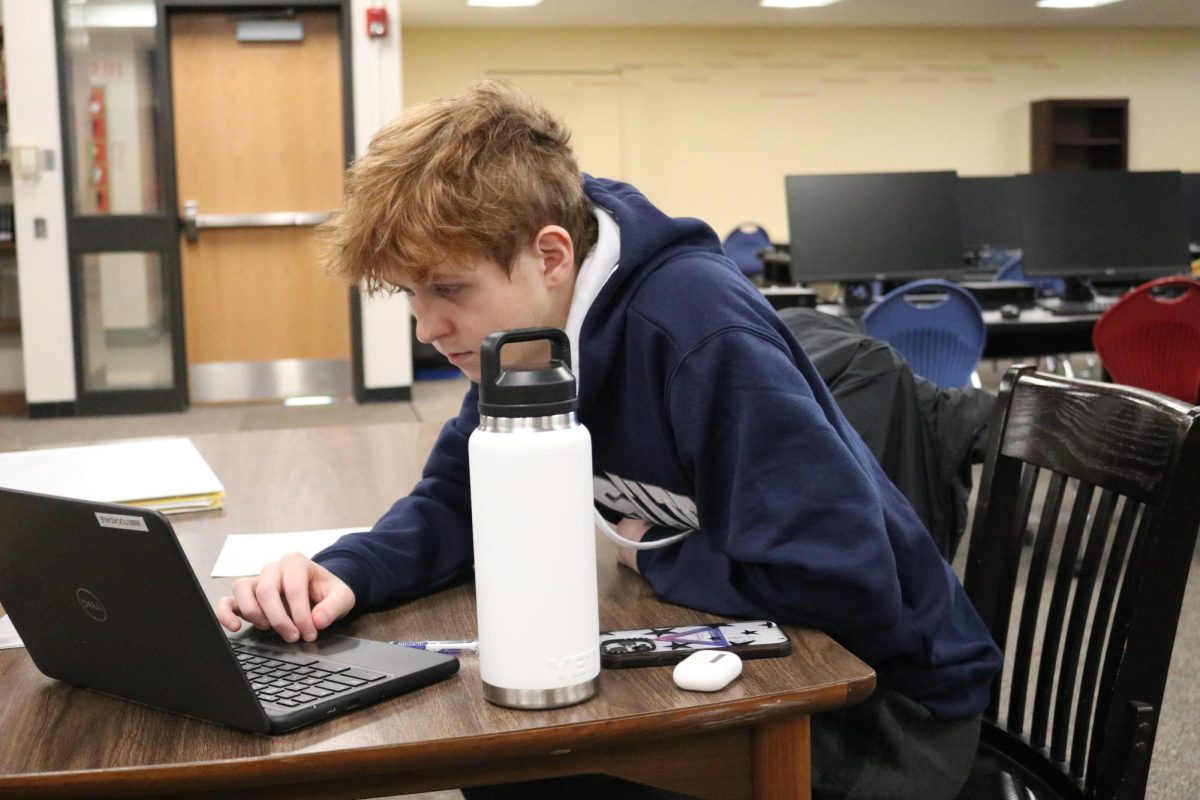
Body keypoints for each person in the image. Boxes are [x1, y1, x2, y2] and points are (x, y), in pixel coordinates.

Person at [215, 81, 1002, 800]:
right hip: (775, 652)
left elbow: (841, 577)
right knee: (508, 753)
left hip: (889, 706)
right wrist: (345, 573)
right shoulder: (529, 335)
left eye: (450, 289)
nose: (429, 329)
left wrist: (647, 553)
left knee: (524, 763)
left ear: (551, 255)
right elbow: (457, 499)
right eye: (411, 296)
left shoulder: (696, 329)